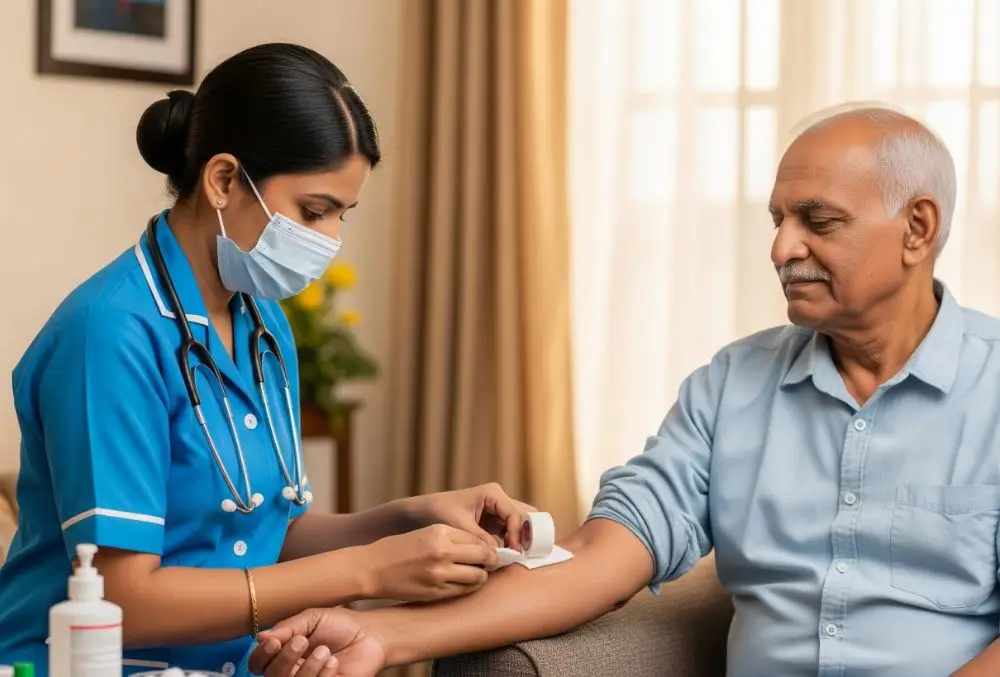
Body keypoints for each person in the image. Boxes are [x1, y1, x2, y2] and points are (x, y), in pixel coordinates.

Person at [247, 104, 1000, 677]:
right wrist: (383, 631)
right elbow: (599, 559)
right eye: (777, 220)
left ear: (917, 229)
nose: (781, 248)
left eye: (818, 221)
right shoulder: (732, 385)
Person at [0, 43, 531, 677]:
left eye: (341, 214)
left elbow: (267, 530)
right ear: (223, 180)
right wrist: (368, 569)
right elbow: (121, 598)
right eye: (313, 211)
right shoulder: (109, 332)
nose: (329, 239)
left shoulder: (262, 324)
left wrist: (411, 518)